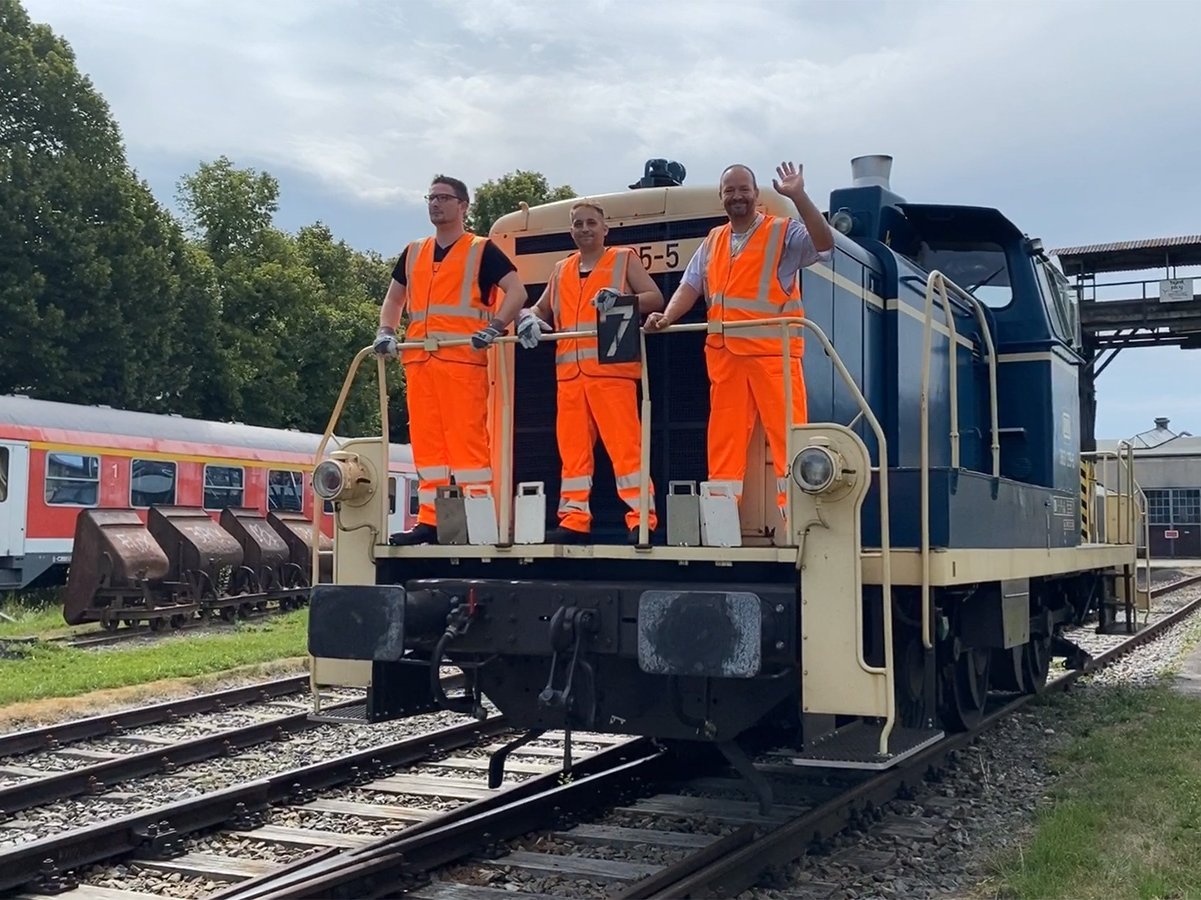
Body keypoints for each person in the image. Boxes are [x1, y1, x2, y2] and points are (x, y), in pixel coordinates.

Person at [645, 161, 834, 519]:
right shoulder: (714, 240)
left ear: (756, 194)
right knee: (723, 445)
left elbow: (824, 246)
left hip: (772, 356)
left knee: (789, 438)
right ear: (721, 198)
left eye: (743, 189)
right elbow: (691, 285)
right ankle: (720, 524)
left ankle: (799, 521)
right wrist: (668, 316)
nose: (737, 196)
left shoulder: (782, 233)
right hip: (725, 358)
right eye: (729, 190)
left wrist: (798, 195)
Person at [374, 175, 541, 545]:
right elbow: (394, 299)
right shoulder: (414, 251)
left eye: (444, 198)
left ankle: (480, 525)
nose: (435, 204)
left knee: (468, 447)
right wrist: (387, 331)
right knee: (429, 447)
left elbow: (517, 291)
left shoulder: (482, 250)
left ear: (463, 206)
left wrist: (496, 326)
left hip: (463, 363)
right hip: (420, 362)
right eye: (430, 198)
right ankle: (429, 523)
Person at [523, 201, 665, 544]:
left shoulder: (623, 259)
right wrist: (528, 317)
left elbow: (655, 298)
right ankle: (574, 520)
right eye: (578, 224)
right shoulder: (561, 270)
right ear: (571, 230)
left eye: (591, 223)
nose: (584, 229)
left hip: (612, 373)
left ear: (605, 229)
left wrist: (621, 300)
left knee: (627, 450)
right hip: (570, 377)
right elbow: (541, 308)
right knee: (573, 454)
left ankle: (641, 520)